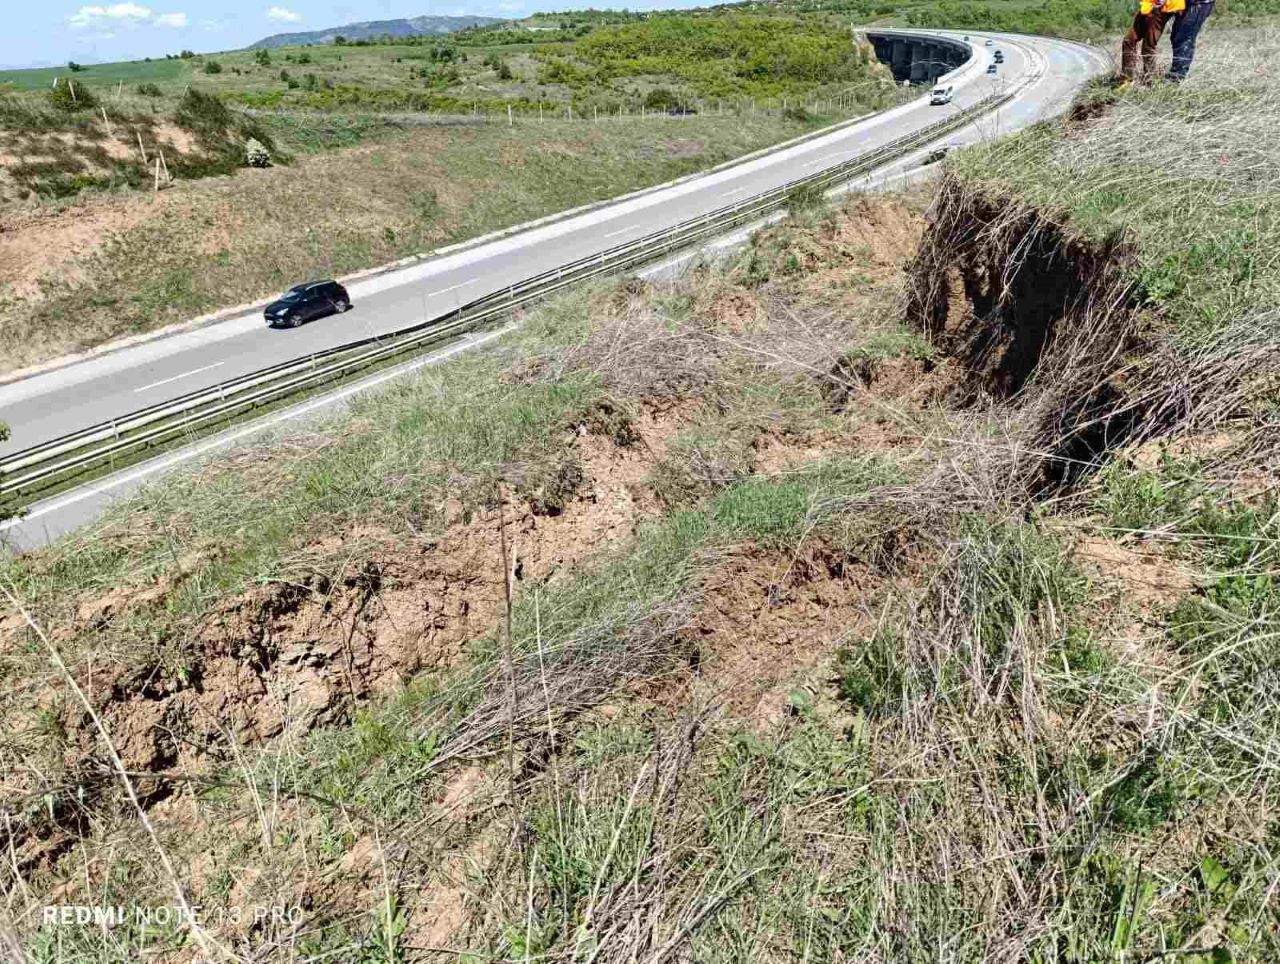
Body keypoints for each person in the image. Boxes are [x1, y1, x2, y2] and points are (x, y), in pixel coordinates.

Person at [1121, 0, 1185, 83]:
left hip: (1161, 8)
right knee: (1128, 41)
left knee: (1148, 46)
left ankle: (1148, 82)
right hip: (1148, 6)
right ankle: (1127, 80)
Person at [1169, 0, 1216, 80]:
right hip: (1190, 4)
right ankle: (1176, 72)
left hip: (1198, 4)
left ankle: (1178, 76)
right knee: (1177, 36)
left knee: (1184, 38)